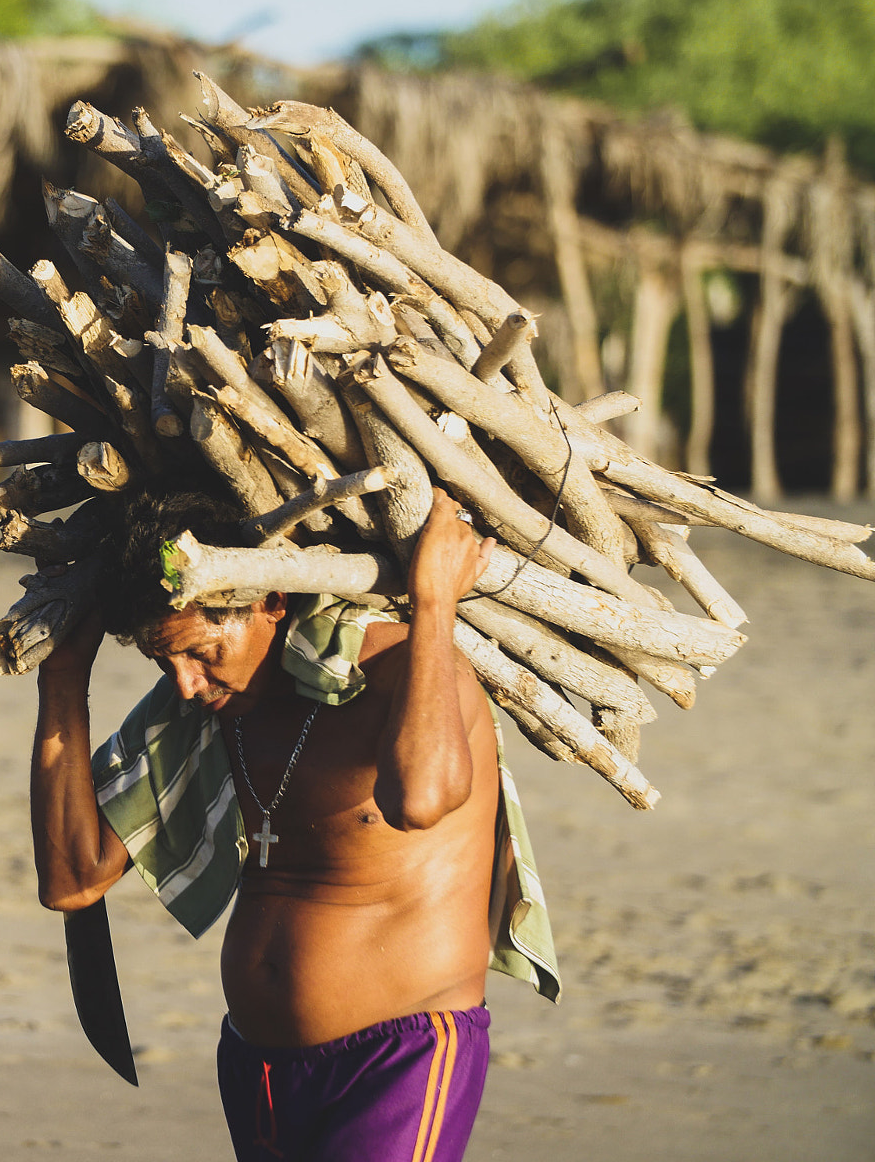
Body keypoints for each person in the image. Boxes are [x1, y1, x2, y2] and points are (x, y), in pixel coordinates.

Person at [30, 485, 557, 1162]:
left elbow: (421, 799)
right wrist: (63, 681)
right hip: (260, 1068)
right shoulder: (205, 707)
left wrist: (435, 605)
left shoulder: (405, 667)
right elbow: (72, 880)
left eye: (201, 653)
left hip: (401, 1057)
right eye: (165, 662)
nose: (185, 683)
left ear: (270, 600)